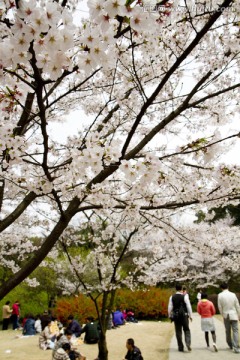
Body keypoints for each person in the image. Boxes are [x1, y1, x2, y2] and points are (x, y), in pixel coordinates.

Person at [168, 283, 192, 352]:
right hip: (184, 315)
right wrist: (190, 315)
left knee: (178, 331)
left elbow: (170, 307)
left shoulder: (172, 297)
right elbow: (188, 306)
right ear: (181, 289)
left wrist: (169, 315)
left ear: (175, 289)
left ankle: (180, 346)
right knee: (186, 329)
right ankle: (188, 343)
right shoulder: (185, 297)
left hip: (176, 316)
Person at [218, 282, 240, 353]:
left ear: (221, 288)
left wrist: (222, 314)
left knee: (228, 331)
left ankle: (230, 344)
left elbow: (220, 307)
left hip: (226, 315)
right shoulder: (233, 294)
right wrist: (239, 315)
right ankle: (236, 347)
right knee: (235, 331)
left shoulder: (220, 295)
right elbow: (237, 306)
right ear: (228, 287)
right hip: (234, 314)